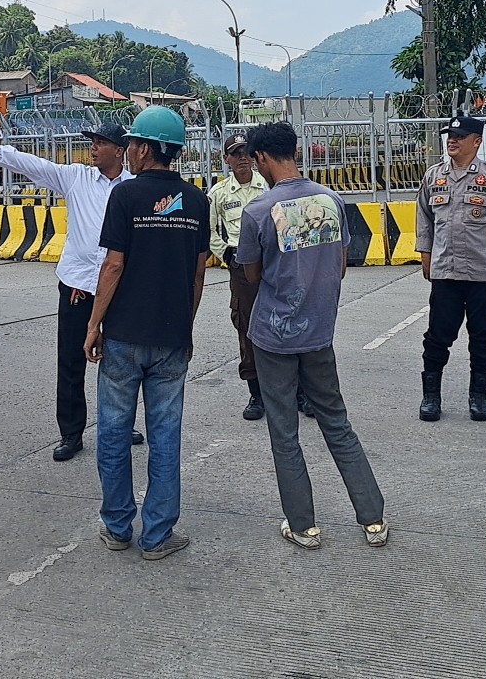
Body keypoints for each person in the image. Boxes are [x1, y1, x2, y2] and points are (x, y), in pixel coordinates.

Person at [237, 121, 388, 551]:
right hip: (319, 333)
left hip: (273, 336)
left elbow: (251, 275)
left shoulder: (258, 211)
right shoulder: (331, 200)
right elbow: (339, 266)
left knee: (284, 431)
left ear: (261, 158)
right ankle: (373, 518)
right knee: (337, 422)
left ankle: (303, 526)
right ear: (296, 152)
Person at [0, 122, 143, 461]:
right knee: (70, 360)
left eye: (101, 142)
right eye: (92, 142)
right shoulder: (76, 178)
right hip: (77, 284)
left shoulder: (133, 187)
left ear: (119, 150)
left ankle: (119, 423)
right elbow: (33, 165)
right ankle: (71, 433)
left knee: (120, 361)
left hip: (119, 286)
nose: (93, 148)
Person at [84, 106, 210, 560]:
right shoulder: (197, 201)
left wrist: (94, 324)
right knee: (165, 437)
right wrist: (185, 327)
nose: (130, 152)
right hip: (172, 338)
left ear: (144, 149)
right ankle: (157, 535)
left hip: (123, 336)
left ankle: (118, 527)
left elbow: (113, 265)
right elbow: (198, 274)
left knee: (114, 432)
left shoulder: (125, 196)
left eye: (133, 144)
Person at [415, 114, 486, 423]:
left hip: (484, 274)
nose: (452, 141)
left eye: (460, 137)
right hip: (446, 273)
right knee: (437, 337)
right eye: (450, 136)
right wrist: (425, 252)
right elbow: (423, 215)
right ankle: (431, 396)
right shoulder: (434, 176)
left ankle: (478, 396)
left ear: (476, 142)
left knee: (483, 338)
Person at [207, 132, 270, 419]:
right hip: (241, 266)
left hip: (272, 262)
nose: (242, 158)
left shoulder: (268, 186)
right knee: (246, 325)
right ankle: (256, 394)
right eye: (236, 153)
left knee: (285, 321)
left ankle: (298, 392)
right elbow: (209, 230)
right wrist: (225, 254)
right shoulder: (219, 194)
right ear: (226, 160)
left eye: (246, 152)